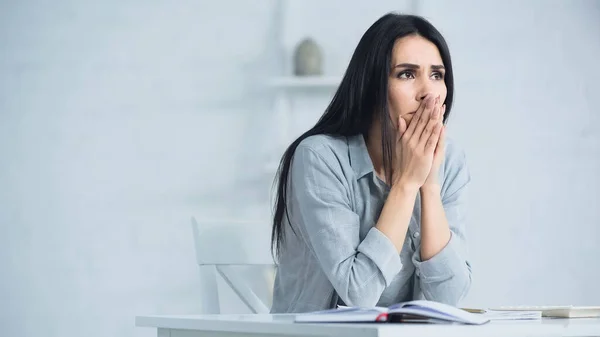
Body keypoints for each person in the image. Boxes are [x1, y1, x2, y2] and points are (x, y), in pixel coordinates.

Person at [269, 13, 472, 313]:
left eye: (437, 75)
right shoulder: (319, 157)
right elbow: (358, 296)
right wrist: (406, 184)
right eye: (407, 74)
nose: (428, 92)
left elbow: (449, 300)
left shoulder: (449, 160)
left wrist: (429, 186)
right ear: (372, 85)